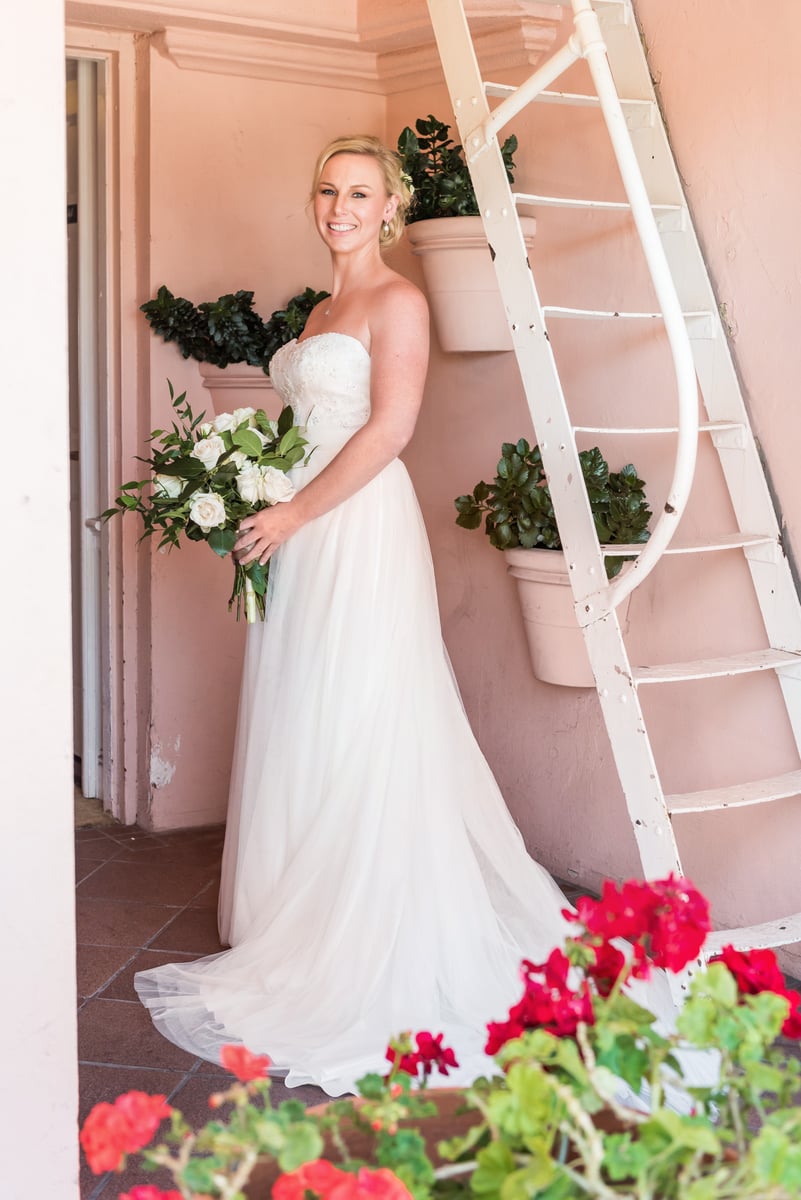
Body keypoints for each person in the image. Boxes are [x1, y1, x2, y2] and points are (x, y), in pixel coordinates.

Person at [133, 136, 632, 1094]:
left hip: (354, 523)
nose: (340, 208)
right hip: (299, 524)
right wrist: (255, 496)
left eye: (359, 194)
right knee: (305, 708)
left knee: (360, 708)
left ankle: (361, 925)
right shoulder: (319, 311)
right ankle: (291, 911)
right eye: (328, 190)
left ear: (390, 208)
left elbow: (390, 429)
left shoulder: (399, 300)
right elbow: (301, 430)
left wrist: (292, 512)